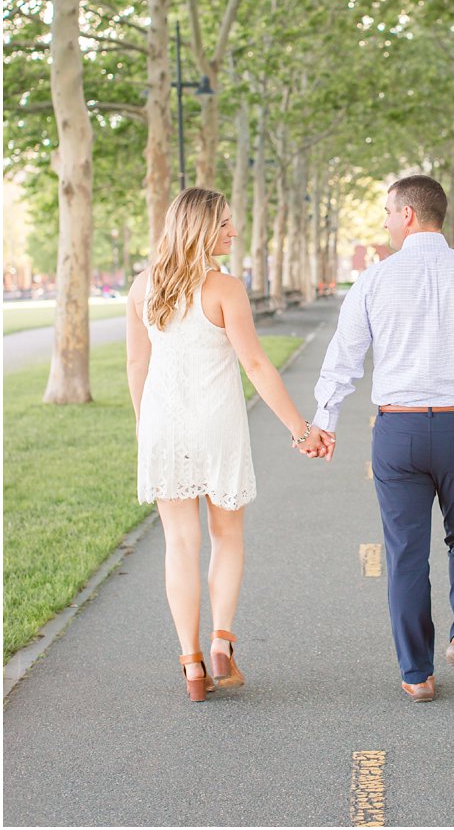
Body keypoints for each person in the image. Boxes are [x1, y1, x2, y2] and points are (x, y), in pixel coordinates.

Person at [309, 175, 454, 702]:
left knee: (405, 551)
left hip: (399, 430)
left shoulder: (373, 280)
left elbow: (344, 358)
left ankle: (417, 675)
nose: (384, 222)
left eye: (387, 211)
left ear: (408, 215)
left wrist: (325, 419)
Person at [127, 187, 328, 702]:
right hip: (217, 426)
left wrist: (144, 426)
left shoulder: (141, 287)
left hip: (163, 426)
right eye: (224, 225)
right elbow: (256, 365)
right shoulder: (224, 288)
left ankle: (191, 665)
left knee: (179, 544)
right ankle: (222, 641)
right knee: (227, 536)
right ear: (199, 228)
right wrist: (300, 430)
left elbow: (136, 365)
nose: (232, 232)